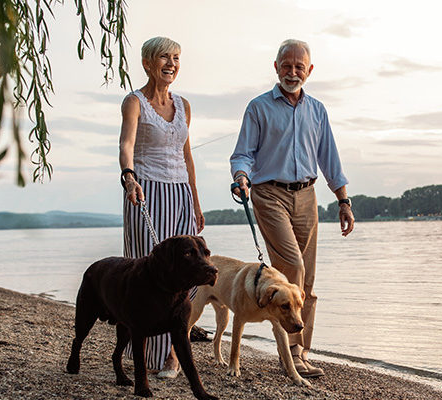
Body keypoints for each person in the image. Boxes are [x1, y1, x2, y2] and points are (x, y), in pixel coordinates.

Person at [230, 39, 355, 378]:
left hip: (307, 196)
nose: (293, 71)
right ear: (276, 67)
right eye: (287, 65)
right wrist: (241, 176)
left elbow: (330, 158)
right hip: (269, 194)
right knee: (293, 267)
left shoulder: (317, 110)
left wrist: (343, 200)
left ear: (309, 71)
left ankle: (301, 350)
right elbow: (243, 153)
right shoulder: (259, 107)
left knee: (307, 284)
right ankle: (293, 356)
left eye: (300, 66)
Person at [118, 36, 204, 379]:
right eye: (165, 57)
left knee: (190, 274)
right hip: (146, 191)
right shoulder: (134, 102)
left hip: (181, 194)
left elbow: (186, 155)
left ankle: (171, 349)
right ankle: (153, 354)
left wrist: (196, 200)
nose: (172, 63)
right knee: (147, 275)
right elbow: (126, 143)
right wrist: (129, 177)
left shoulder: (184, 105)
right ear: (148, 63)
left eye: (177, 58)